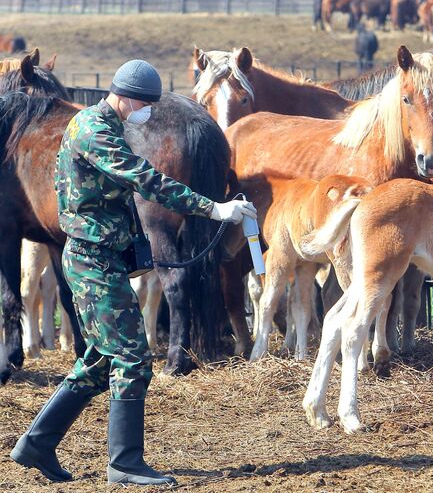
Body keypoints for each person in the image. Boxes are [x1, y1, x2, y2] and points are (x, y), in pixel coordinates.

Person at [9, 59, 256, 486]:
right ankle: (124, 463)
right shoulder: (95, 131)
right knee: (132, 359)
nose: (145, 113)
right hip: (93, 261)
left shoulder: (104, 123)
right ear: (123, 98)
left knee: (101, 361)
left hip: (101, 259)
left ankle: (38, 443)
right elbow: (146, 179)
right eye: (142, 105)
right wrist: (214, 207)